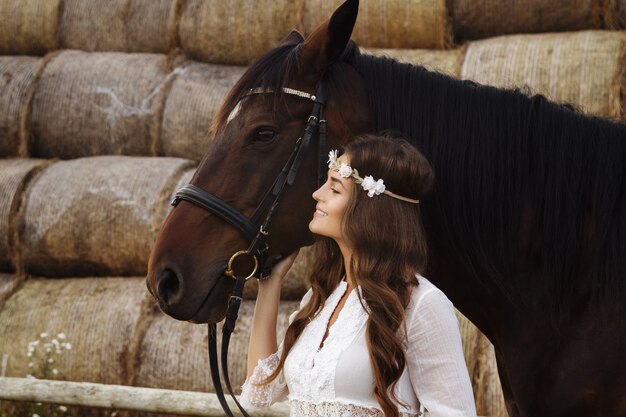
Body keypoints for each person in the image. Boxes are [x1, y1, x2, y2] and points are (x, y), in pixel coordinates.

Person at [240, 132, 477, 417]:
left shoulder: (422, 303)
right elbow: (260, 391)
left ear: (370, 210)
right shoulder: (319, 300)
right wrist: (270, 284)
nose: (317, 194)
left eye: (335, 188)